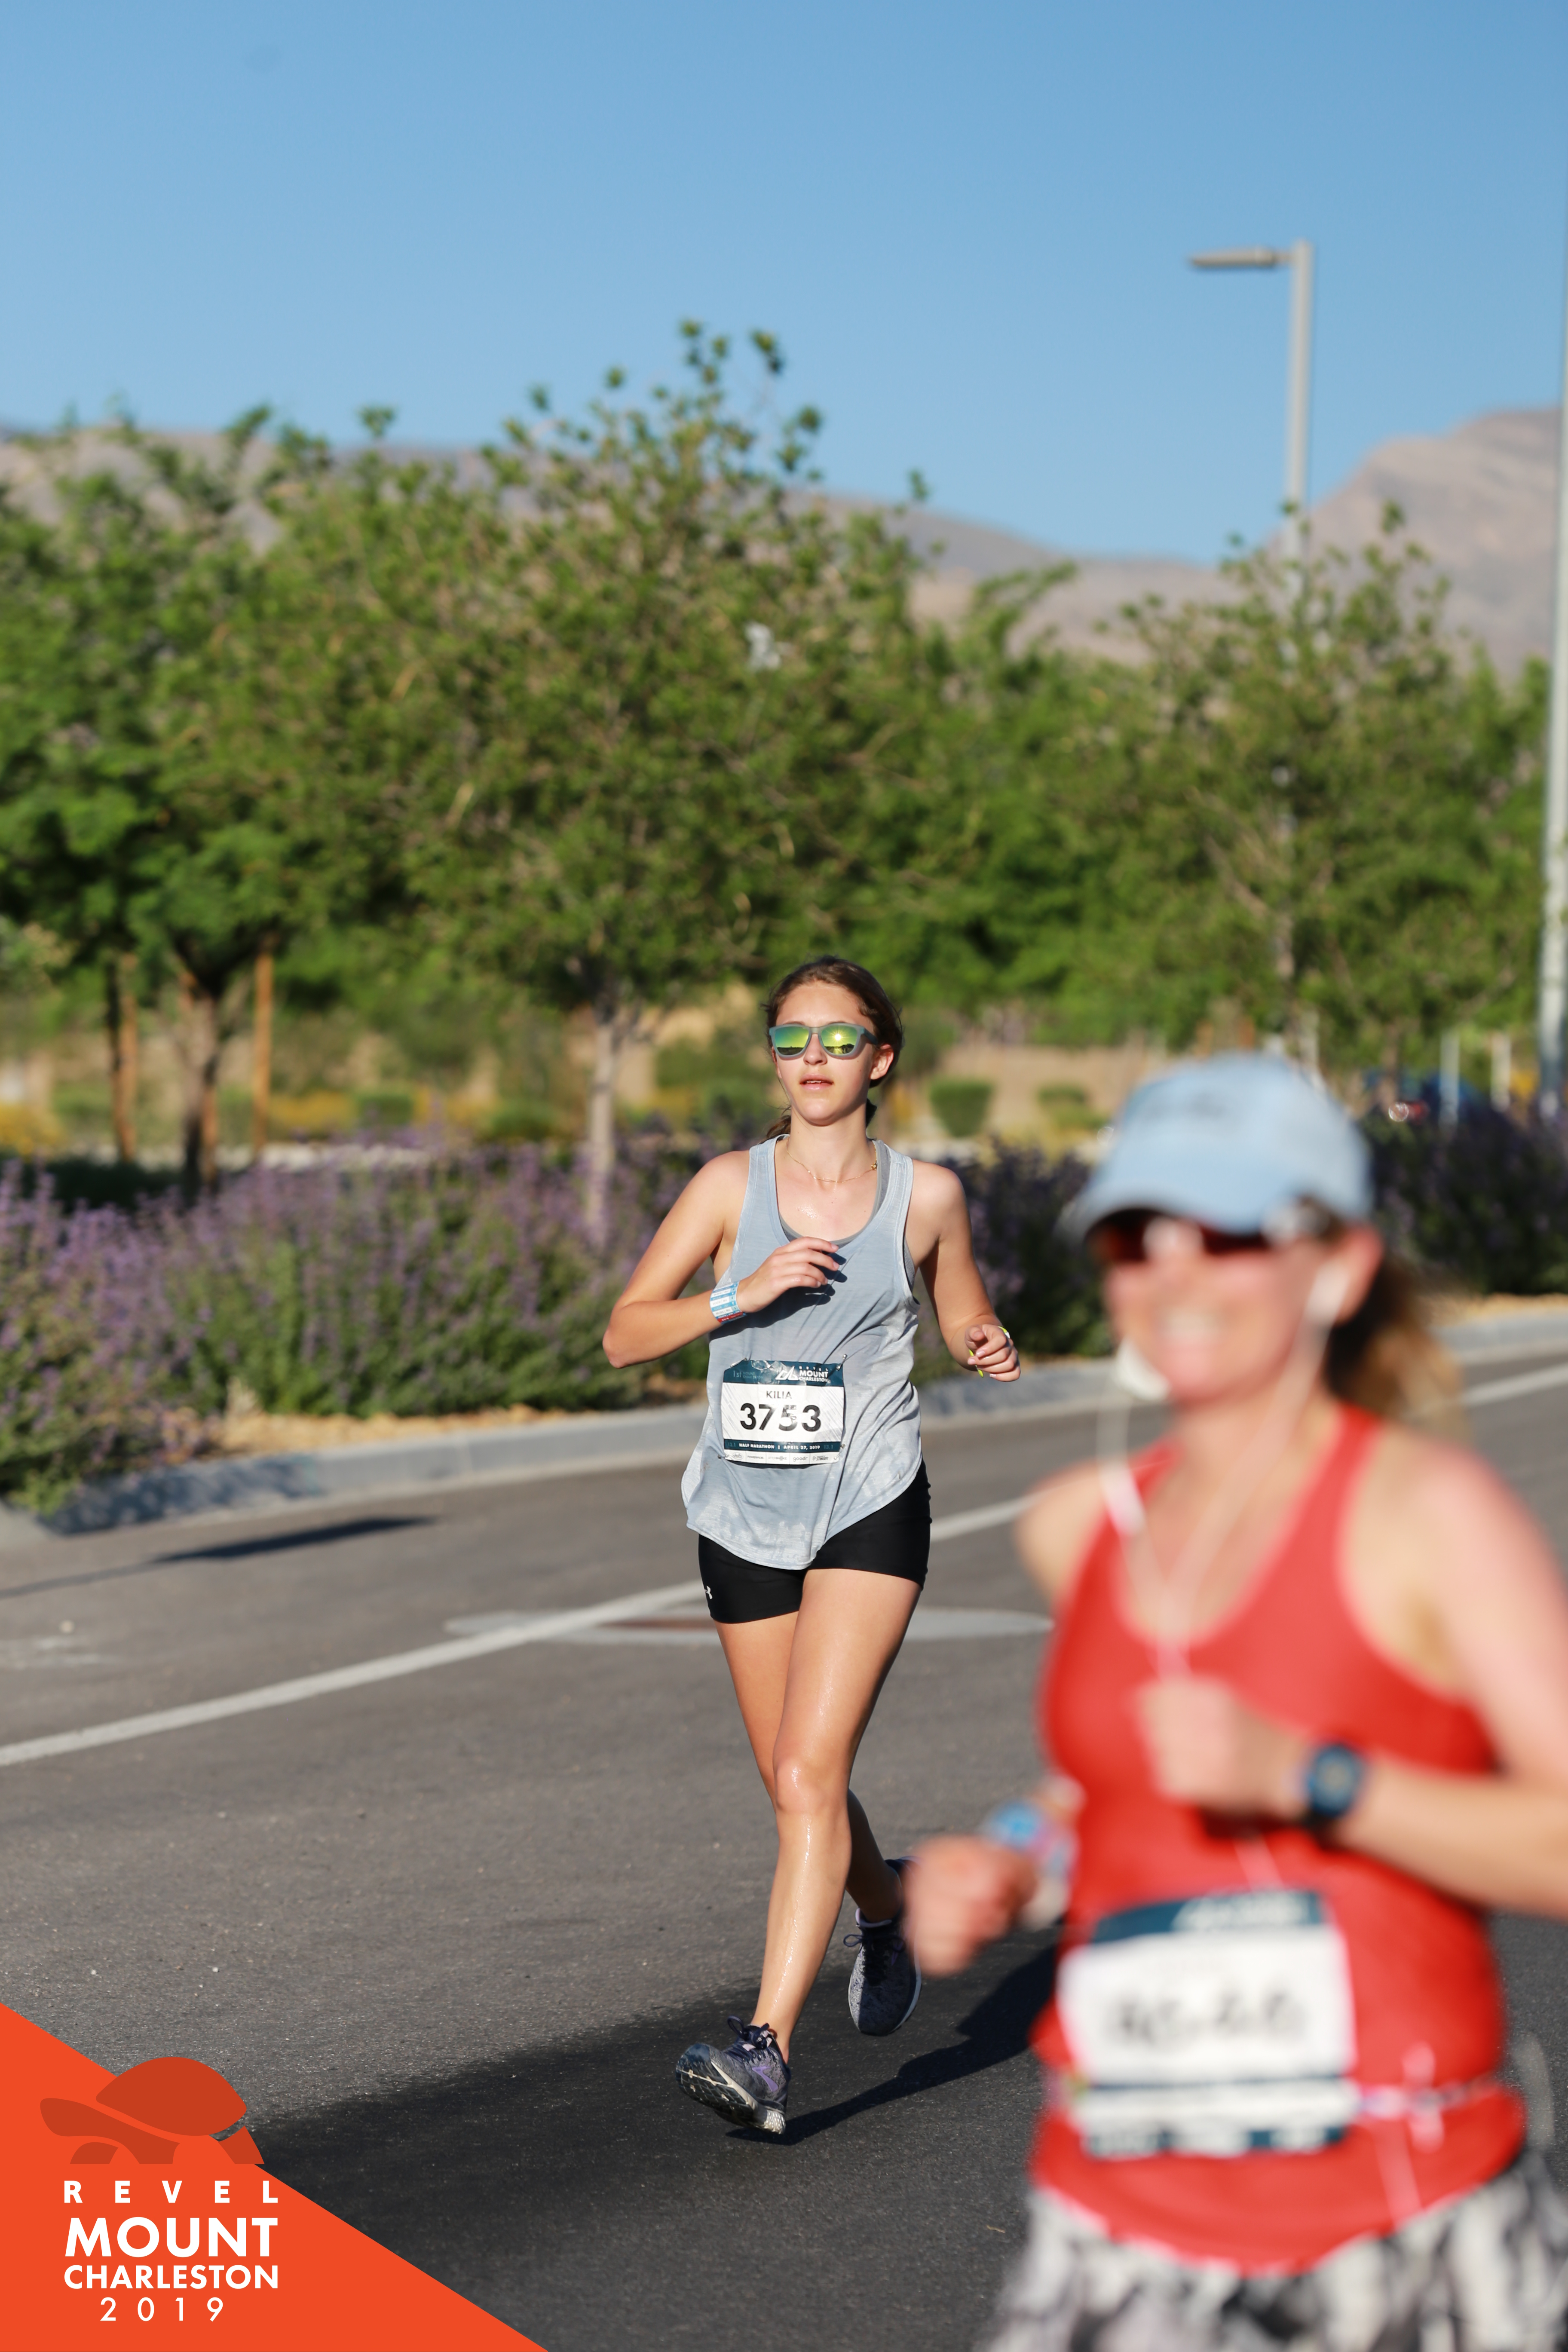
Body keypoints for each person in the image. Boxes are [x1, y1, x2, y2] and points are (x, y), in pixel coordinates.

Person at [904, 1054, 1568, 2351]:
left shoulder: (1425, 1516)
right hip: (1115, 2225)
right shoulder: (1079, 1526)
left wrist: (1315, 1778)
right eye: (1136, 1239)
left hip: (1397, 2229)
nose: (1176, 1275)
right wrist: (1016, 1861)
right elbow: (1105, 1790)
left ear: (1339, 1266)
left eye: (1228, 1235)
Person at [603, 956, 1020, 2134]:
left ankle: (767, 2049)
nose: (816, 1060)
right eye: (794, 1040)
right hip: (743, 1508)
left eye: (840, 1040)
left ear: (880, 1059)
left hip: (869, 1497)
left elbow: (961, 1306)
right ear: (775, 1059)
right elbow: (625, 1335)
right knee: (798, 1777)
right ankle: (886, 1908)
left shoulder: (927, 1196)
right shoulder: (725, 1188)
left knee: (805, 1776)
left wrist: (984, 1339)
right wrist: (739, 1296)